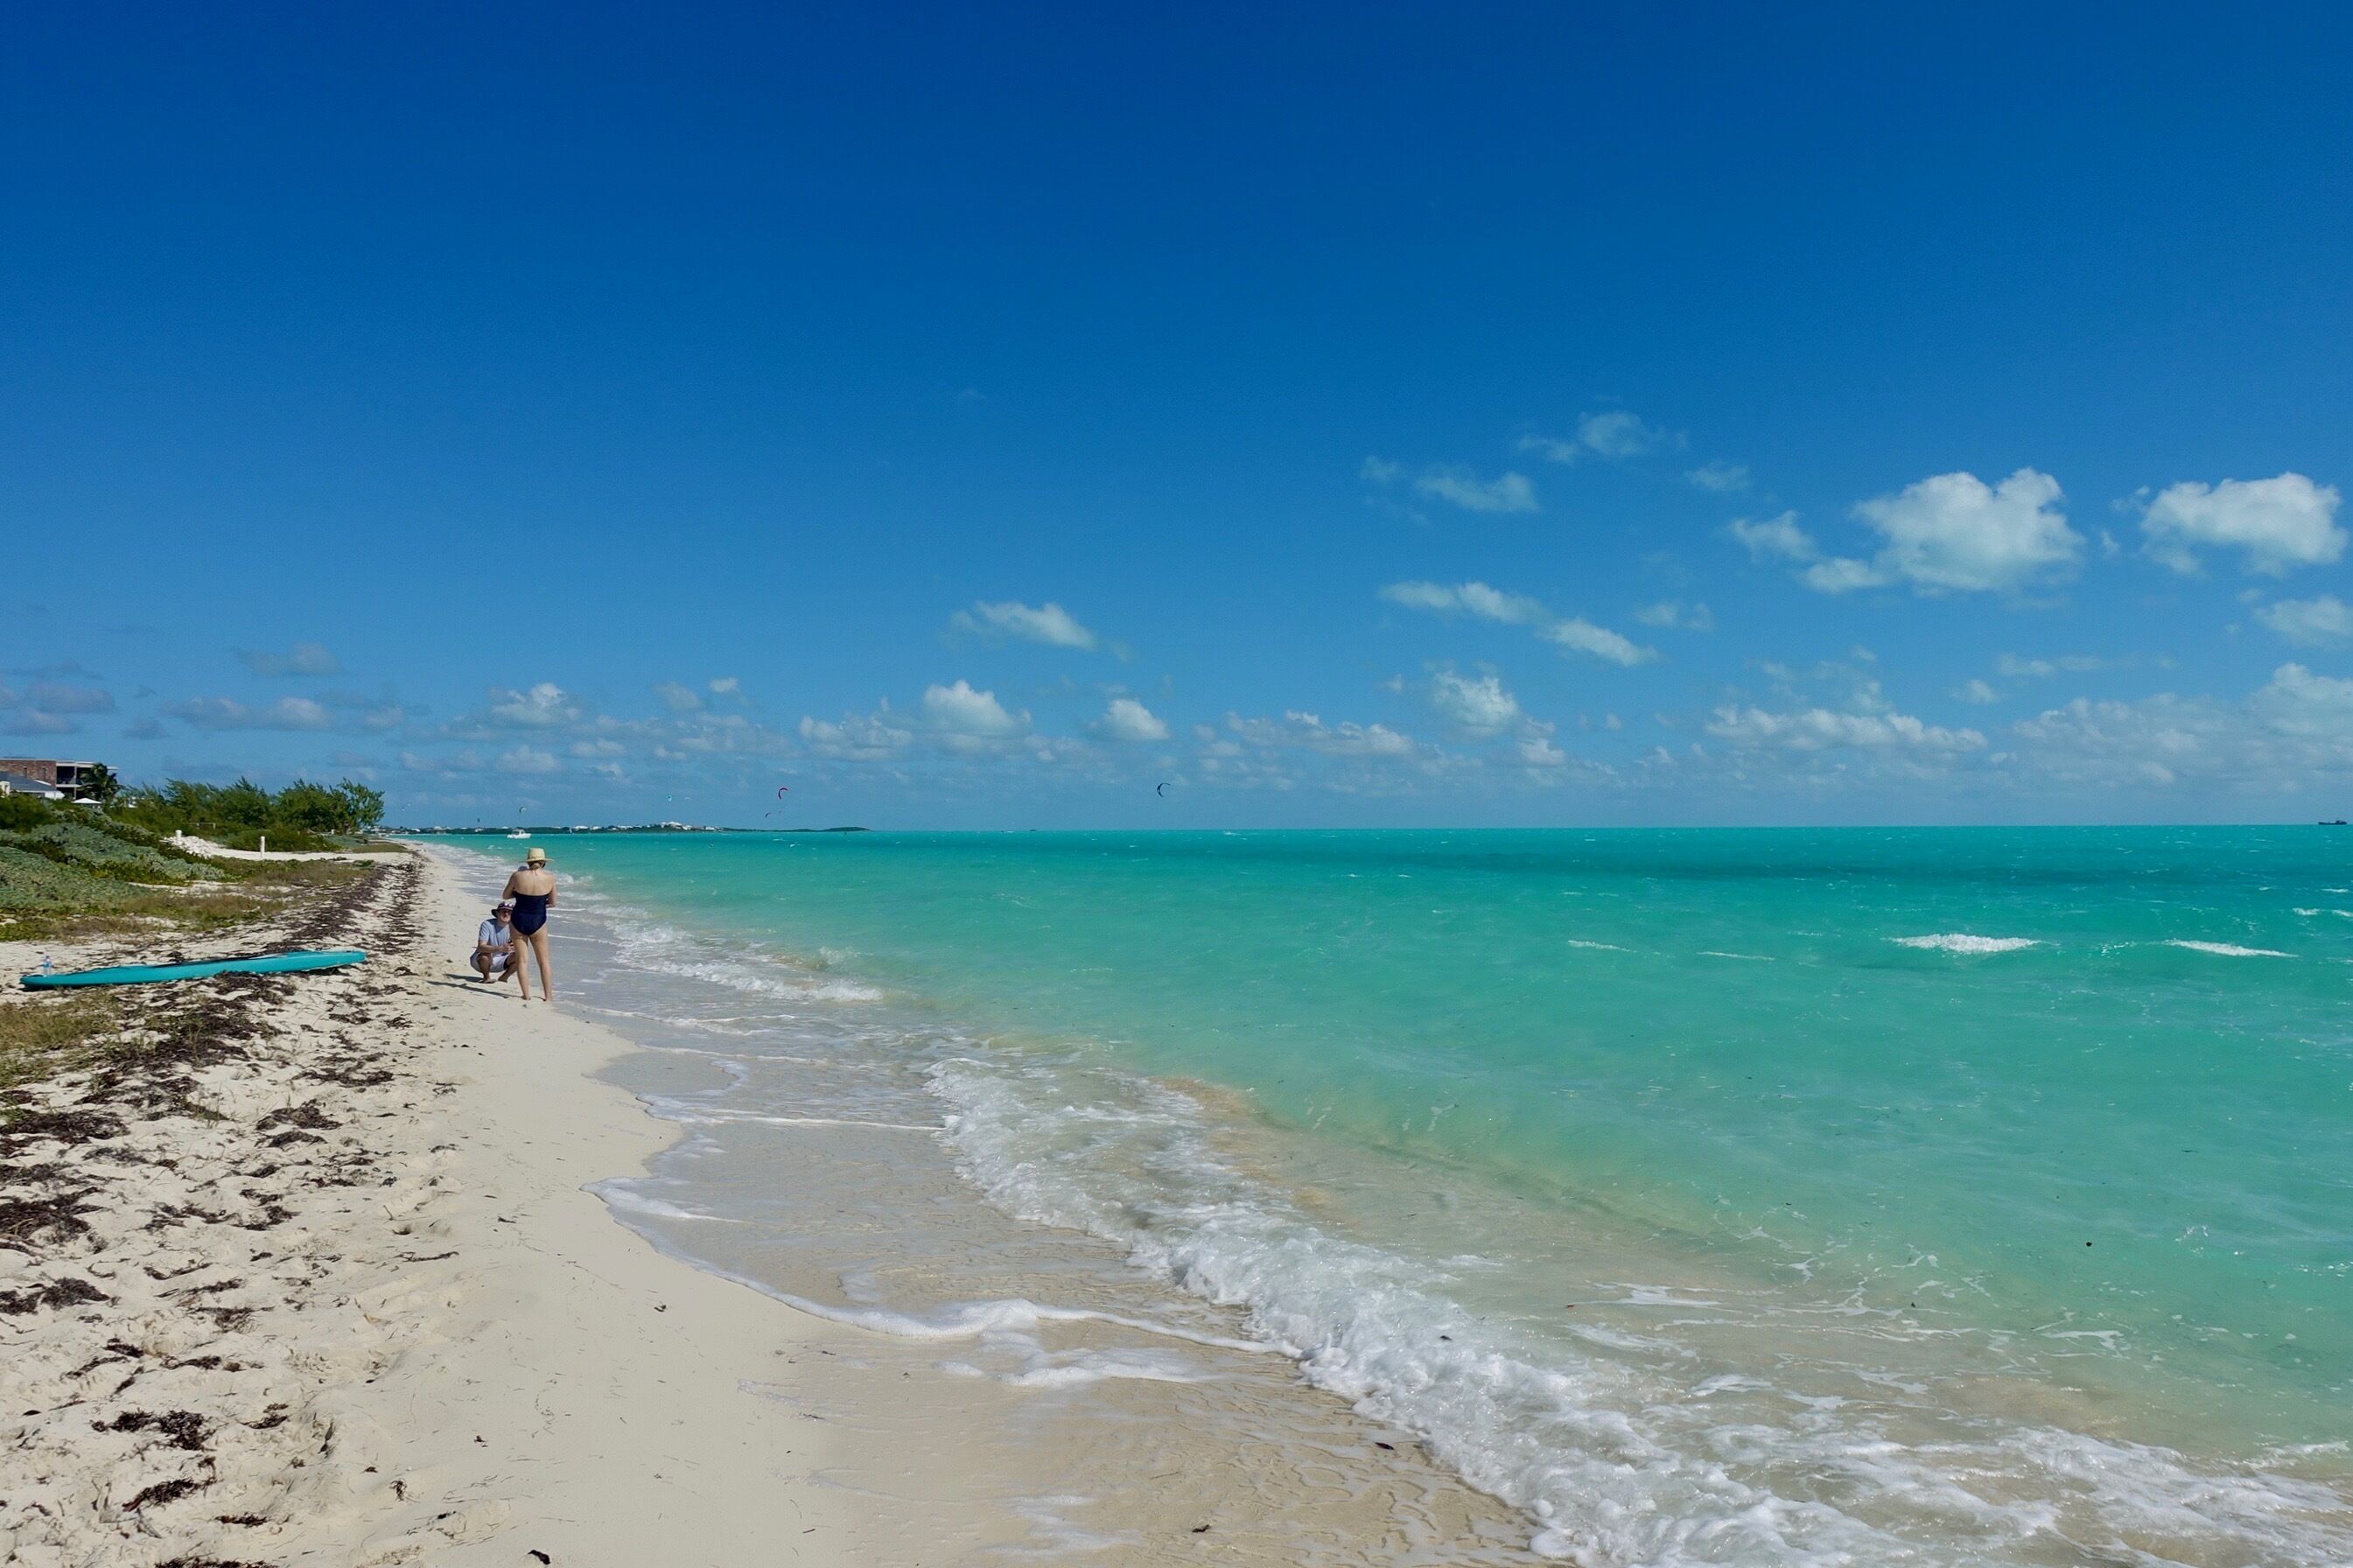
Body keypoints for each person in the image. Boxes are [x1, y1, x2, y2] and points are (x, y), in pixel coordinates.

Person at [501, 845, 557, 1001]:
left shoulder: (517, 876)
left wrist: (519, 894)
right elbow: (553, 902)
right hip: (538, 920)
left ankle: (526, 995)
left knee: (522, 960)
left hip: (518, 919)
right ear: (543, 862)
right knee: (544, 961)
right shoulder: (550, 878)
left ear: (528, 862)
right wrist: (539, 903)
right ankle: (548, 997)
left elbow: (505, 895)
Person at [472, 900, 519, 985]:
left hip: (501, 962)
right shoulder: (487, 924)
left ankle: (504, 977)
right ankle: (486, 977)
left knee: (521, 956)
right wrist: (500, 948)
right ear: (497, 913)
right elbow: (481, 947)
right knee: (485, 955)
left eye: (510, 912)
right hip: (480, 961)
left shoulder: (514, 928)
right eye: (504, 911)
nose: (506, 914)